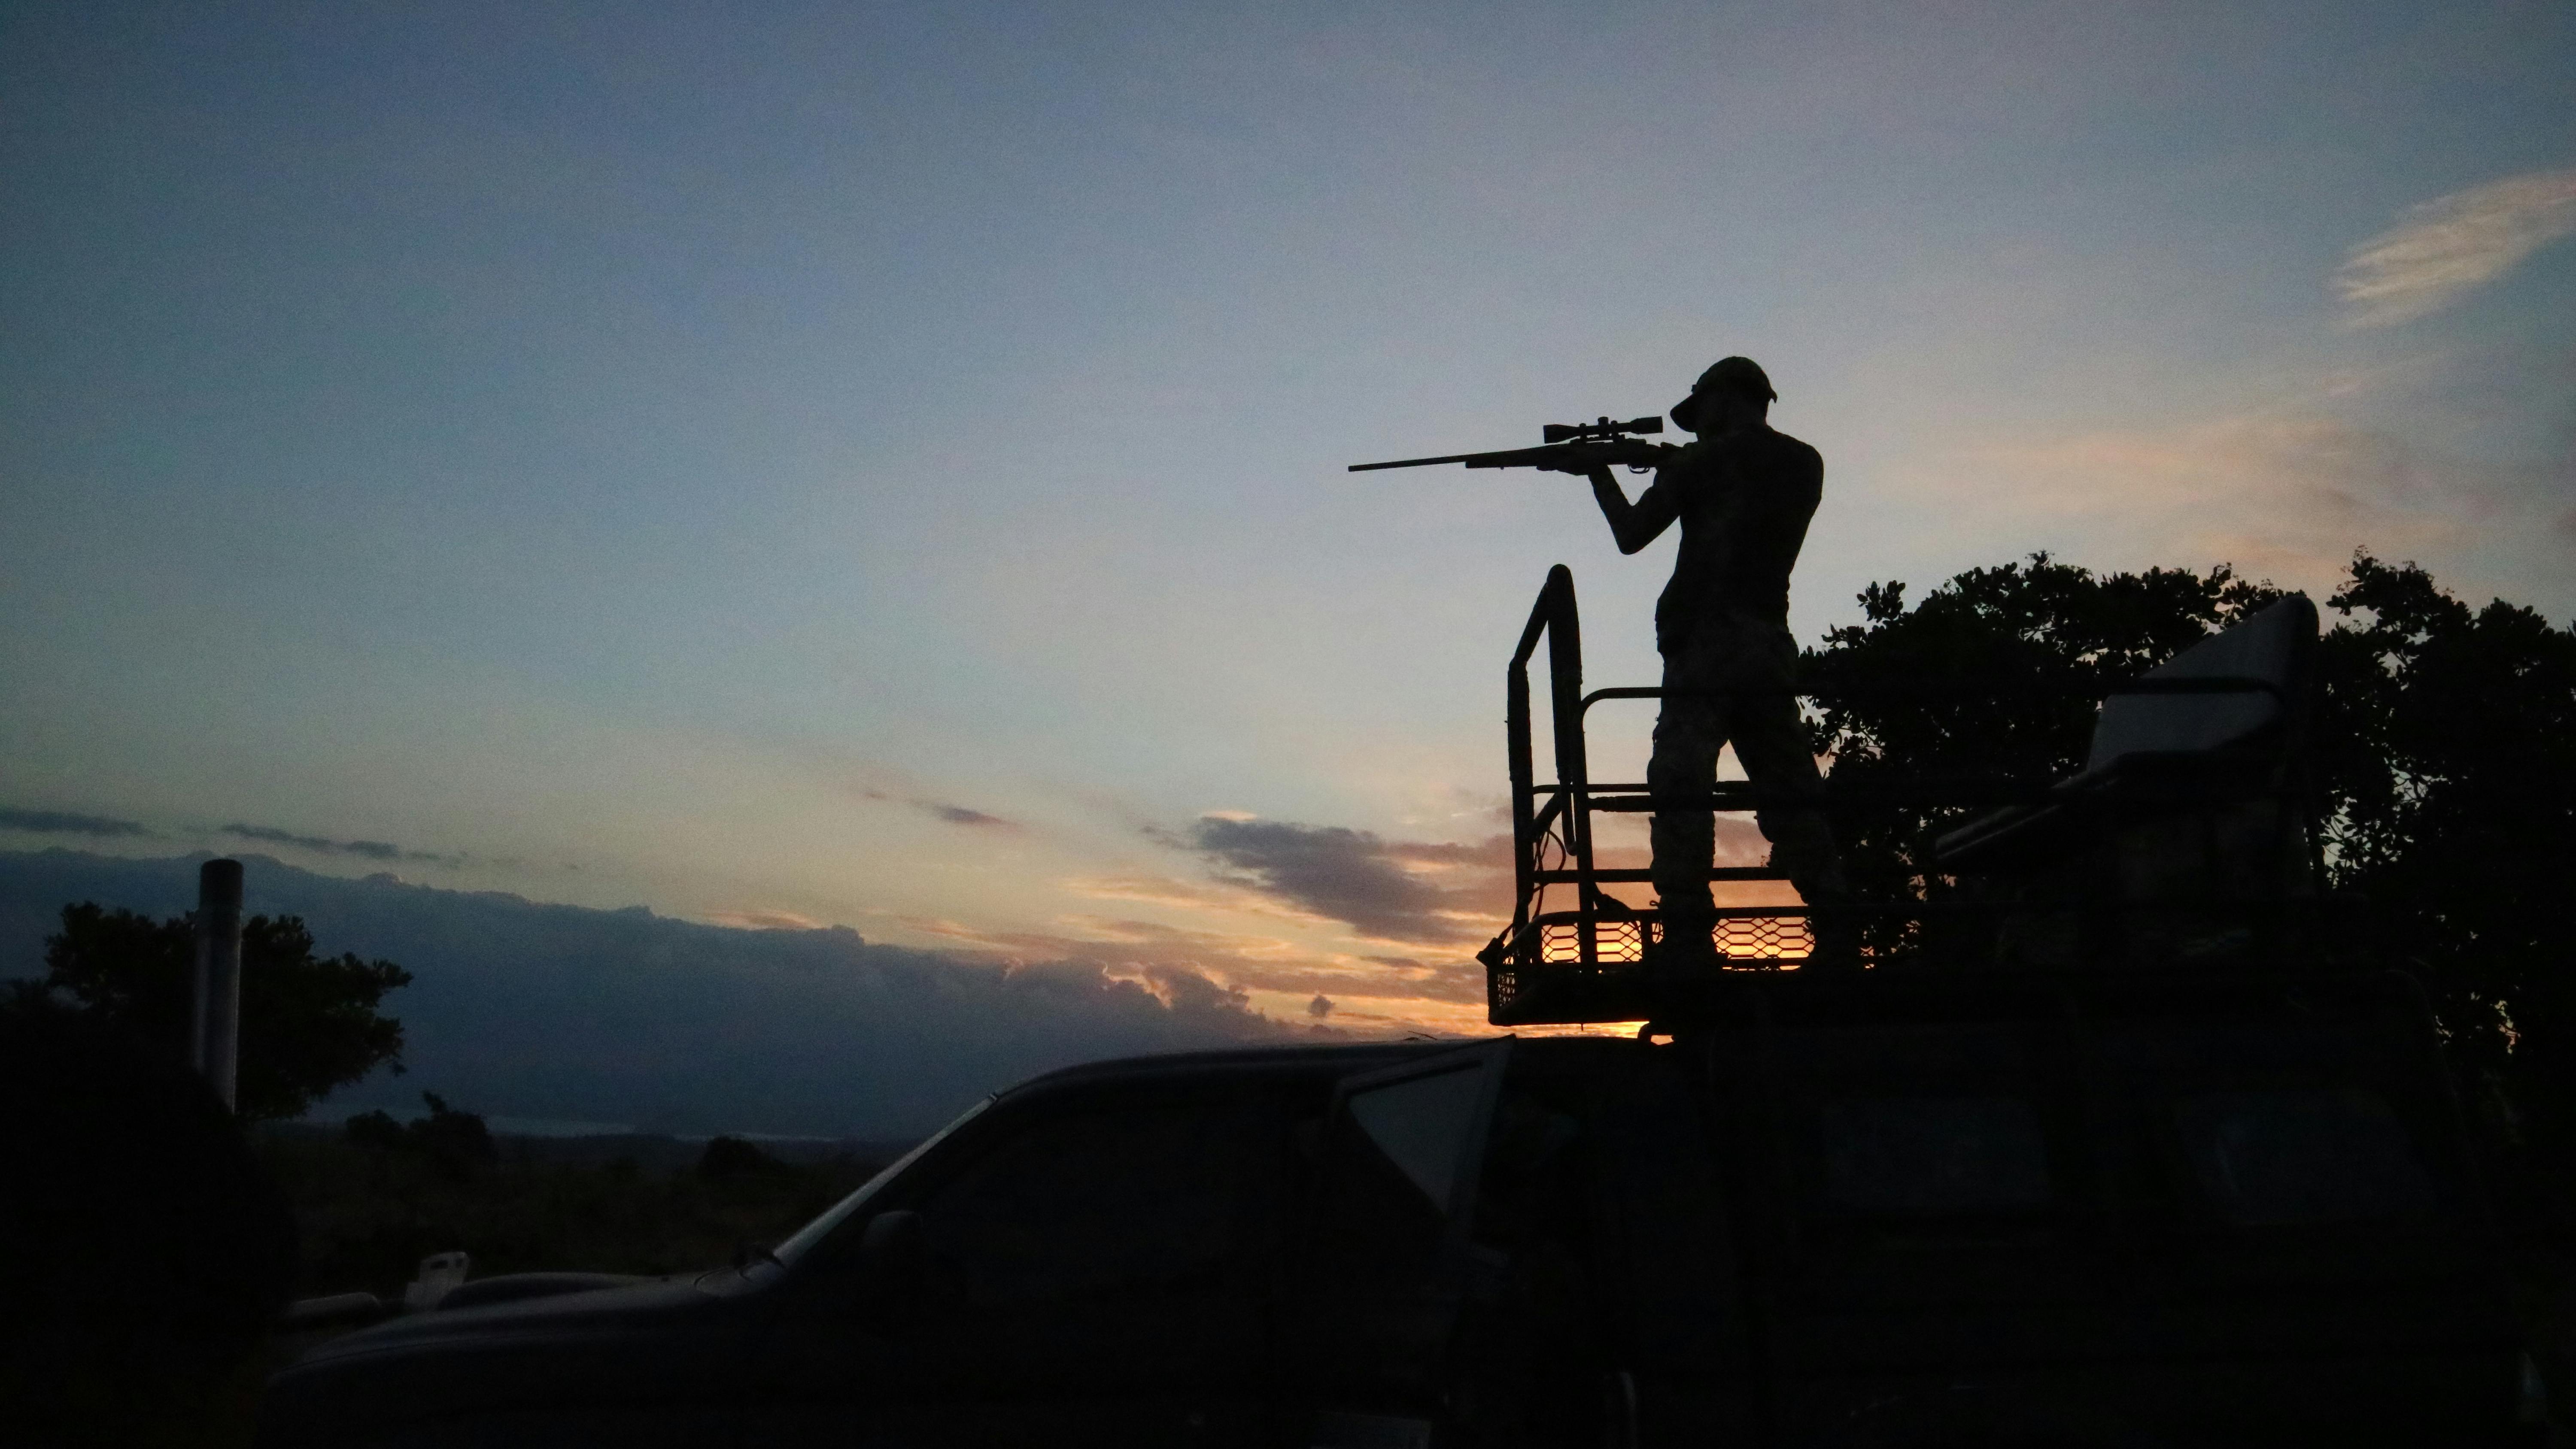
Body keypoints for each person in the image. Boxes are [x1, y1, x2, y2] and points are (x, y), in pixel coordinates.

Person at [1550, 356, 1853, 970]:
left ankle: (1688, 931)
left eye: (1704, 407)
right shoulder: (1804, 462)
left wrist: (1597, 474)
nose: (1697, 423)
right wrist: (1674, 465)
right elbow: (1736, 494)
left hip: (1704, 646)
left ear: (1729, 398)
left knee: (1680, 781)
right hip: (1768, 644)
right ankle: (1839, 927)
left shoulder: (1702, 461)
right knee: (1790, 790)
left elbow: (1632, 534)